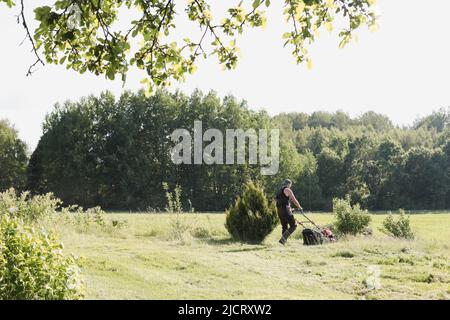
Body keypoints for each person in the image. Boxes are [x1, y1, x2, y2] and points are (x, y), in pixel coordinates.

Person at [276, 179, 303, 245]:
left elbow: (281, 202)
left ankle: (282, 243)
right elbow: (294, 200)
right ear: (289, 184)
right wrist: (300, 207)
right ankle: (282, 240)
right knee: (293, 225)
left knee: (284, 226)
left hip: (279, 210)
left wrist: (291, 209)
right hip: (285, 210)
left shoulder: (279, 191)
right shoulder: (288, 190)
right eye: (290, 185)